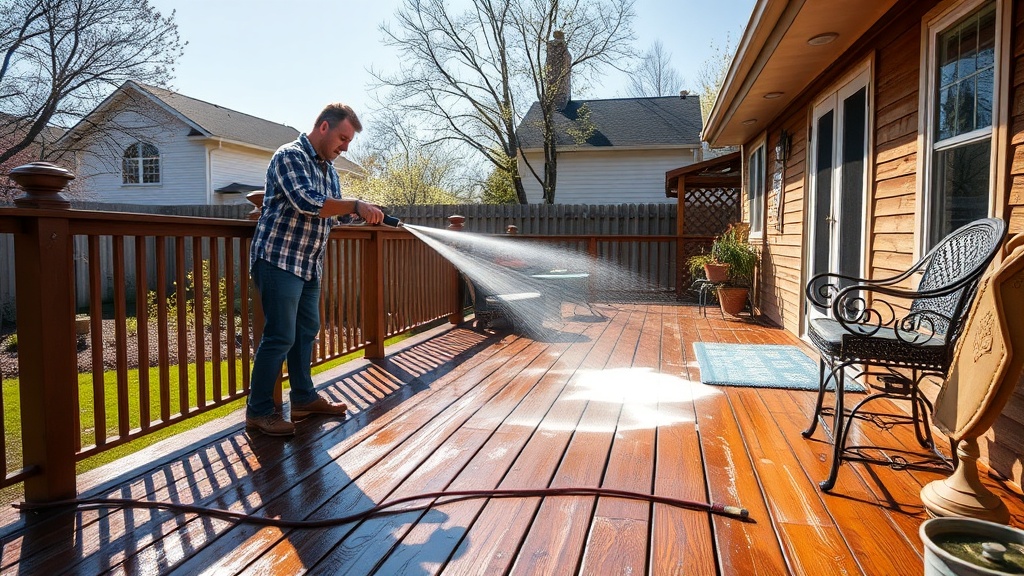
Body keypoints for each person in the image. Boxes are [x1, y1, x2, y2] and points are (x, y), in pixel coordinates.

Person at [246, 103, 384, 436]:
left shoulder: (328, 169)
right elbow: (308, 203)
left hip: (308, 264)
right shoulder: (289, 156)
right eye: (342, 137)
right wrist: (354, 204)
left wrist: (365, 213)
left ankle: (304, 399)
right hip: (279, 259)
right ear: (323, 127)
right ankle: (259, 411)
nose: (345, 146)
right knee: (280, 336)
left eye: (348, 141)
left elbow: (332, 213)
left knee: (306, 332)